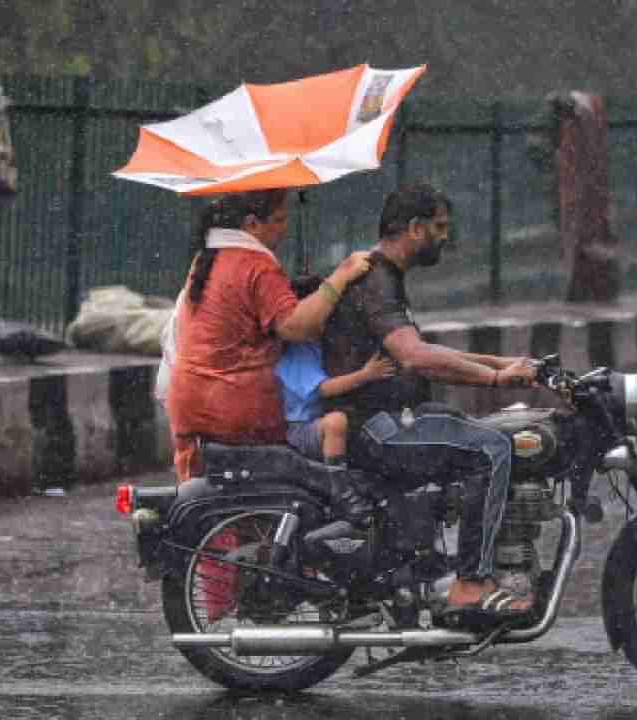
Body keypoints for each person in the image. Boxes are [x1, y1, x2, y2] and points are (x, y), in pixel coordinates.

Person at [321, 182, 540, 622]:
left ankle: (433, 563)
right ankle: (471, 584)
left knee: (466, 425)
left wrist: (502, 360)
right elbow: (414, 356)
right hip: (375, 426)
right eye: (439, 227)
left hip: (390, 418)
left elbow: (420, 351)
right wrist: (496, 378)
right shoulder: (376, 280)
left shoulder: (386, 277)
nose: (445, 236)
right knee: (491, 448)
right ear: (415, 229)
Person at [164, 189, 376, 519]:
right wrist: (340, 276)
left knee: (219, 512)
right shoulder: (255, 264)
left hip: (189, 403)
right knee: (294, 495)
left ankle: (220, 566)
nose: (284, 229)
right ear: (251, 224)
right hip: (235, 408)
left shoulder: (207, 258)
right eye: (278, 220)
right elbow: (297, 327)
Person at [275, 275, 398, 502]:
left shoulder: (314, 344)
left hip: (307, 425)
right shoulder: (298, 350)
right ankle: (339, 489)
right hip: (296, 431)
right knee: (336, 422)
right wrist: (365, 375)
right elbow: (323, 389)